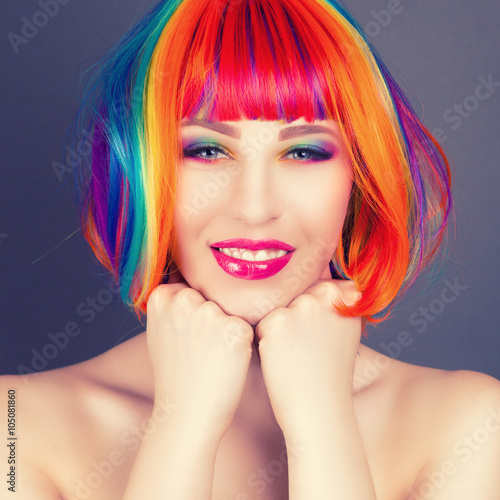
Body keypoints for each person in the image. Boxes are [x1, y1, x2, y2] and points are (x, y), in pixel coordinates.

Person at [2, 0, 500, 498]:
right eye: (207, 150)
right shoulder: (15, 427)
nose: (256, 208)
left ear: (361, 176)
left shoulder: (471, 425)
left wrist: (322, 423)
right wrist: (184, 424)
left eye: (303, 151)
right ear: (140, 170)